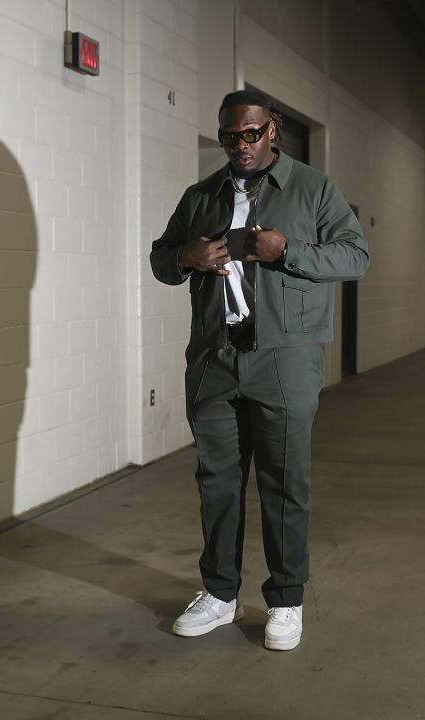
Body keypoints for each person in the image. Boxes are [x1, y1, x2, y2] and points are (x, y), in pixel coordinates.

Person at [150, 90, 369, 652]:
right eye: (229, 137)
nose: (240, 145)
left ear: (272, 130)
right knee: (217, 482)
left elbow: (354, 256)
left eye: (251, 134)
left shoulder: (314, 189)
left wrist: (286, 251)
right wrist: (184, 258)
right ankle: (220, 595)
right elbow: (160, 256)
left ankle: (286, 600)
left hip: (284, 358)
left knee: (284, 481)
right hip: (215, 359)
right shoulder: (202, 195)